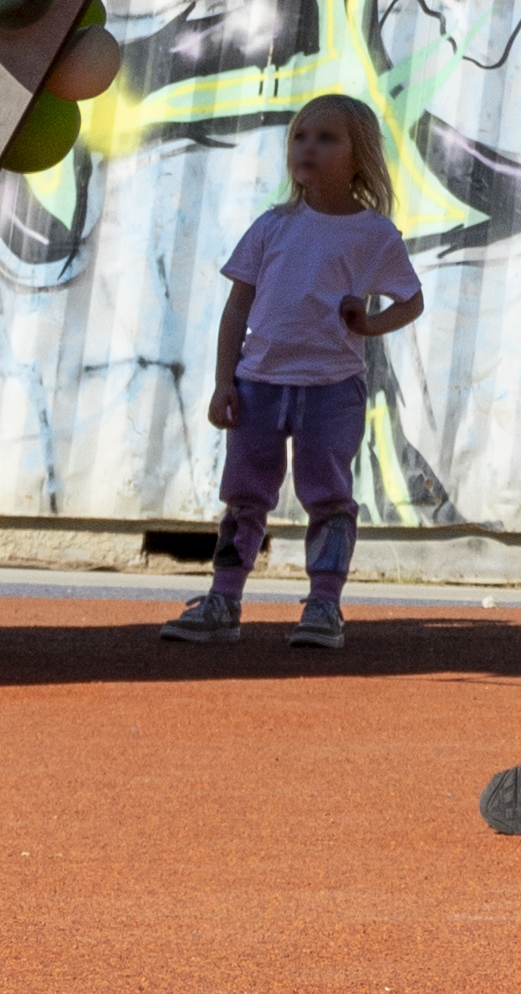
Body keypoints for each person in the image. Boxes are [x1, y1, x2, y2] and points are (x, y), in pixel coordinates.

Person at [161, 92, 426, 654]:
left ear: (359, 157)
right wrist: (224, 381)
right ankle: (223, 600)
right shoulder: (272, 225)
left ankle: (324, 605)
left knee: (328, 498)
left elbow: (411, 301)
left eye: (326, 138)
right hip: (258, 384)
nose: (308, 147)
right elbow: (238, 307)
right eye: (301, 137)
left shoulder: (374, 234)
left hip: (333, 390)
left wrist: (370, 324)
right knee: (244, 496)